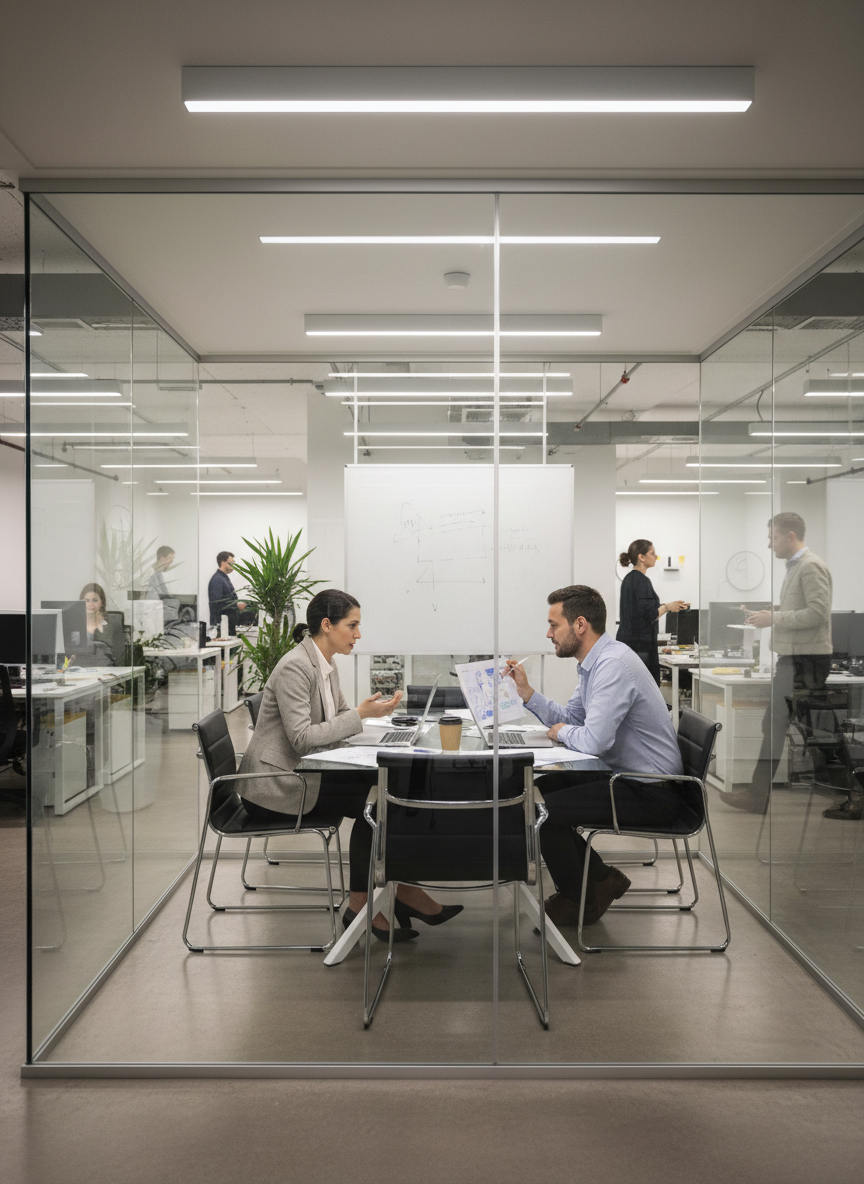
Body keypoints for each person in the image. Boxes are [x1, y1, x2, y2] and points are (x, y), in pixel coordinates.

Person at [238, 589, 462, 940]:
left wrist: (371, 713)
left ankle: (397, 891)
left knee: (388, 794)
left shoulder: (324, 663)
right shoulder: (297, 666)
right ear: (326, 625)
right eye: (352, 625)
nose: (358, 634)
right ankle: (369, 903)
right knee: (378, 803)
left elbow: (339, 716)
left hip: (302, 771)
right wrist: (360, 715)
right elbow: (301, 738)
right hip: (277, 785)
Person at [504, 585, 684, 927]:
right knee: (538, 794)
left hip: (653, 791)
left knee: (537, 811)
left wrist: (559, 732)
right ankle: (600, 880)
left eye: (554, 625)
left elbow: (594, 740)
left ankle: (581, 899)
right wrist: (527, 694)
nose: (549, 634)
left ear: (580, 625)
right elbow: (574, 720)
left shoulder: (613, 665)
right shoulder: (596, 662)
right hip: (630, 779)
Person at [725, 513, 840, 815]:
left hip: (806, 661)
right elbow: (803, 609)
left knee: (813, 731)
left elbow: (817, 613)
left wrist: (774, 618)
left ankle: (850, 792)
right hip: (793, 659)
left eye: (772, 537)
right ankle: (757, 795)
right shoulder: (796, 567)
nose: (768, 544)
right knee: (776, 726)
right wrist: (771, 612)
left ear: (790, 536)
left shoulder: (810, 566)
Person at [616, 539, 688, 684]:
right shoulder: (642, 581)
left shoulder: (628, 579)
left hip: (628, 645)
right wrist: (667, 607)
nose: (656, 556)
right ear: (641, 557)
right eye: (652, 553)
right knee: (646, 690)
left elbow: (641, 610)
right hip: (641, 647)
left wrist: (667, 606)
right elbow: (651, 614)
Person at [78, 582, 124, 666]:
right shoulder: (74, 625)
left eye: (95, 600)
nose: (90, 604)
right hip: (81, 672)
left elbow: (119, 658)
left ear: (101, 602)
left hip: (106, 672)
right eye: (86, 600)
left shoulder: (112, 626)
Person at [207, 551, 247, 633]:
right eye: (231, 563)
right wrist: (236, 605)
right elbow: (217, 602)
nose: (233, 566)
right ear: (223, 562)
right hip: (221, 626)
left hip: (228, 624)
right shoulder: (217, 580)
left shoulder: (224, 578)